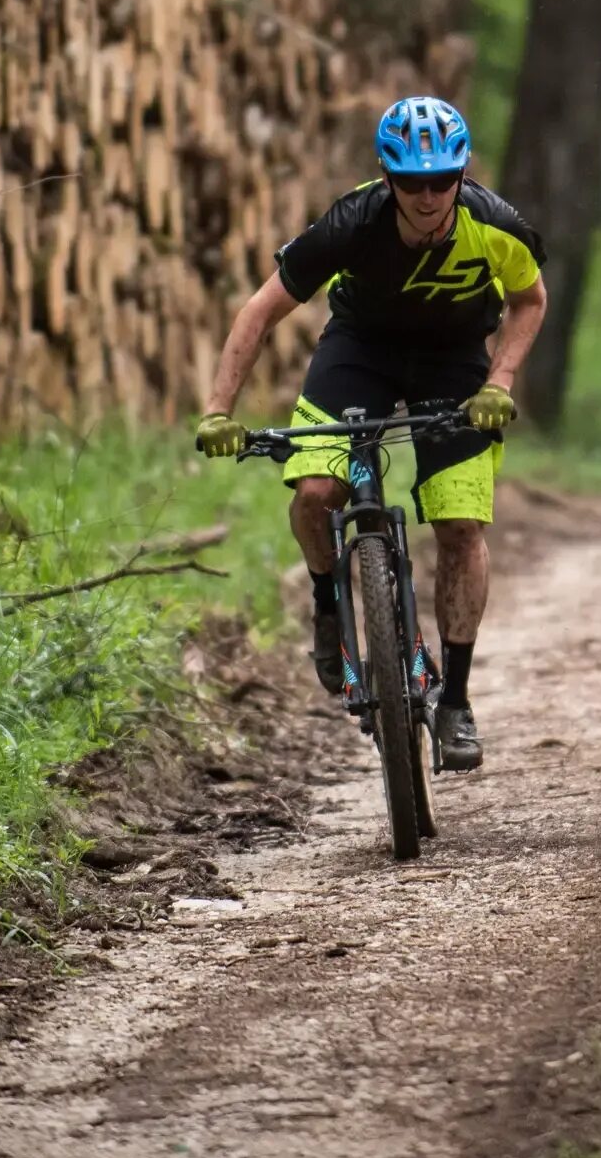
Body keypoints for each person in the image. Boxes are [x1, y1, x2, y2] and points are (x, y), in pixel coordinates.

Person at [194, 96, 548, 771]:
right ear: (387, 177)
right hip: (360, 350)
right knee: (315, 491)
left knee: (461, 524)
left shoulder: (496, 225)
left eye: (441, 180)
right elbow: (260, 311)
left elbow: (531, 300)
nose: (427, 196)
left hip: (453, 359)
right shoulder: (351, 222)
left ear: (461, 173)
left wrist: (500, 381)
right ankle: (328, 604)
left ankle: (456, 702)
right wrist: (218, 409)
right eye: (410, 182)